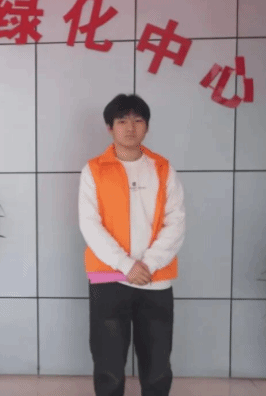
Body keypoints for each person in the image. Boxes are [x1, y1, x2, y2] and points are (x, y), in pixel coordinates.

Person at [78, 94, 186, 396]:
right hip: (108, 279)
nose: (130, 127)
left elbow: (176, 223)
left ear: (147, 127)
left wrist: (147, 265)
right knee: (108, 366)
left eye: (138, 120)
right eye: (122, 120)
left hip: (155, 279)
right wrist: (126, 265)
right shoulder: (93, 170)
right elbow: (90, 224)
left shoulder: (163, 169)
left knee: (158, 365)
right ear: (109, 127)